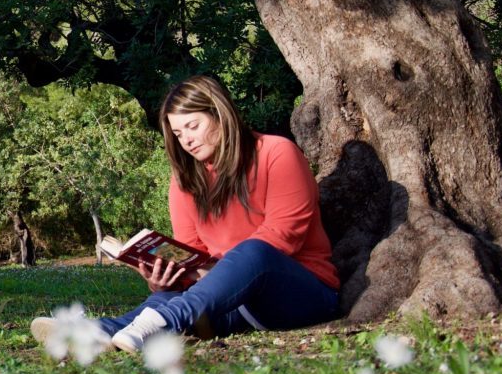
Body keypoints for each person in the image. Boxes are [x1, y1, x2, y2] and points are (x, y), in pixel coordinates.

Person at [31, 75, 340, 352]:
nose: (187, 140)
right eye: (178, 133)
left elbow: (284, 235)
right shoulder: (184, 182)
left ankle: (164, 321)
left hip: (298, 295)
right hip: (228, 302)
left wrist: (213, 272)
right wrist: (164, 279)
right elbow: (193, 255)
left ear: (221, 116)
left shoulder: (276, 152)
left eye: (193, 126)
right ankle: (98, 332)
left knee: (255, 251)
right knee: (170, 296)